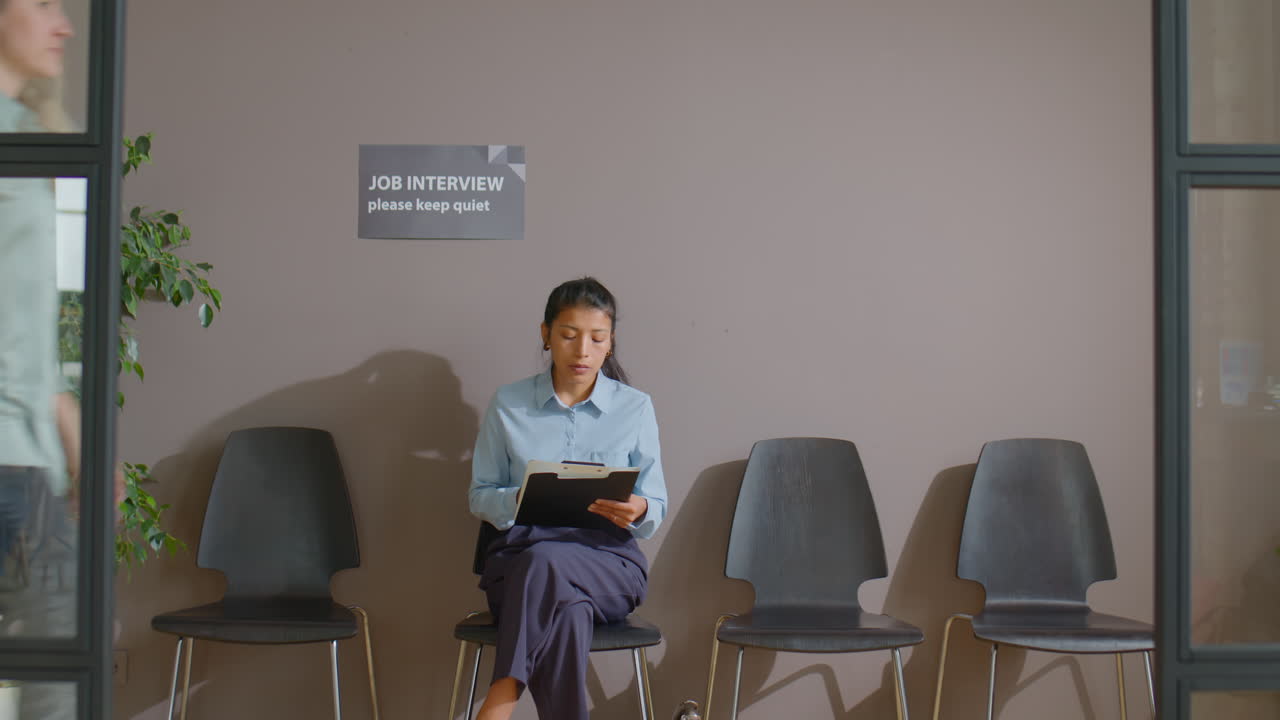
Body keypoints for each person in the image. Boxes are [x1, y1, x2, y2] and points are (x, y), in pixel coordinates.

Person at [469, 277, 668, 720]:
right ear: (546, 335)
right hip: (519, 566)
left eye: (597, 338)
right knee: (566, 604)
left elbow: (655, 503)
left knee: (549, 564)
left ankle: (500, 700)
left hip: (608, 567)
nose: (582, 351)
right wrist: (520, 497)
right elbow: (480, 496)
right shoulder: (509, 404)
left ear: (609, 343)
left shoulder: (634, 407)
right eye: (568, 335)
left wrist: (639, 508)